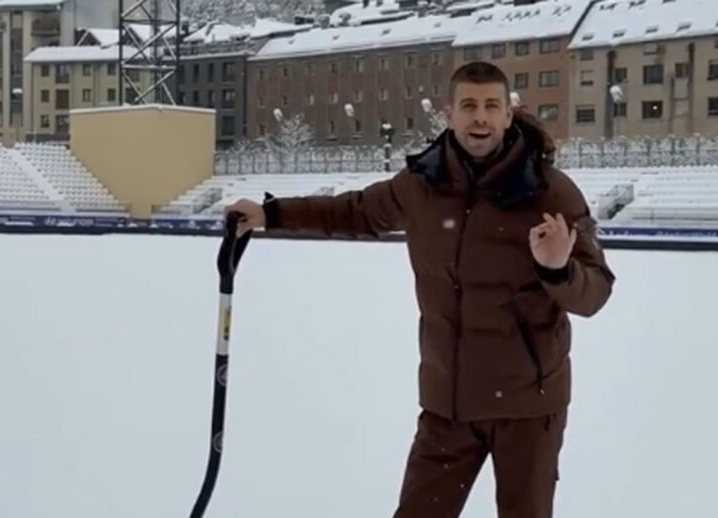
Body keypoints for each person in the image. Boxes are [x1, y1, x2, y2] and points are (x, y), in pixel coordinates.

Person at [224, 61, 616, 517]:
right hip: (446, 405)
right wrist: (272, 214)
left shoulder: (551, 192)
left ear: (509, 114)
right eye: (469, 105)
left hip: (528, 408)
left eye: (491, 106)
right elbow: (353, 211)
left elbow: (596, 292)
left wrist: (558, 270)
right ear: (448, 114)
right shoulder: (422, 185)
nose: (481, 118)